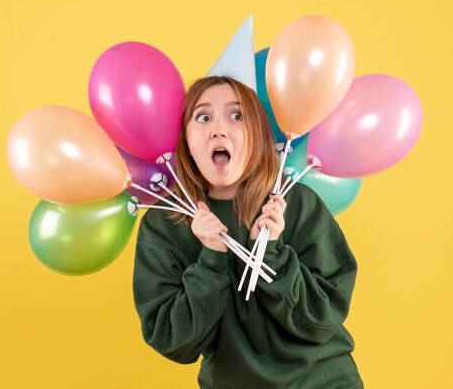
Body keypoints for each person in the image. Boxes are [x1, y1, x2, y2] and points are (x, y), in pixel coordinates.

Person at [132, 76, 363, 388]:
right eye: (203, 117)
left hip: (324, 380)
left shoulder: (295, 204)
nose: (219, 129)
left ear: (256, 133)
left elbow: (323, 318)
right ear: (185, 138)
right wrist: (211, 260)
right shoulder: (164, 224)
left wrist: (273, 253)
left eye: (236, 115)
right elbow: (175, 342)